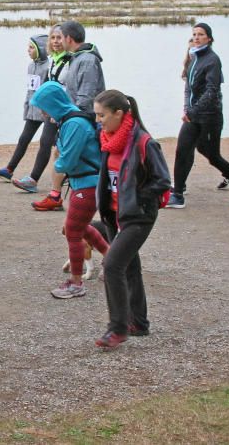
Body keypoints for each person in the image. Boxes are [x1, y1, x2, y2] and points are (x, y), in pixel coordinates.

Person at [93, 89, 171, 350]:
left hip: (138, 215)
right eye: (96, 115)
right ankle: (139, 322)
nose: (99, 120)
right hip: (115, 214)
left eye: (102, 115)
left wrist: (137, 197)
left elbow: (162, 181)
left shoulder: (145, 143)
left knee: (112, 265)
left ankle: (118, 328)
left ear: (119, 113)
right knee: (129, 267)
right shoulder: (108, 139)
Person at [29, 81, 110, 299]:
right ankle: (112, 259)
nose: (43, 113)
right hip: (82, 182)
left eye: (44, 107)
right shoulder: (70, 120)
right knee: (80, 227)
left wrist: (57, 162)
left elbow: (66, 161)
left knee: (73, 232)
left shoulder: (74, 125)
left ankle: (76, 283)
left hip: (87, 184)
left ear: (53, 104)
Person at [32, 21, 105, 211]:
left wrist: (72, 115)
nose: (58, 41)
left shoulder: (87, 60)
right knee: (59, 152)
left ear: (69, 39)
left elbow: (86, 95)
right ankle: (56, 195)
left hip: (84, 119)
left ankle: (86, 192)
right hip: (74, 116)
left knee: (68, 155)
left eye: (61, 37)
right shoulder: (77, 57)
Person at [165, 23, 229, 210]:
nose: (196, 37)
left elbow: (212, 91)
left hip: (210, 116)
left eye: (201, 35)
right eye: (194, 34)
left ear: (209, 39)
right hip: (193, 116)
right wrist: (187, 109)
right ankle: (178, 194)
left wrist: (193, 111)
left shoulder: (212, 60)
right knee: (183, 149)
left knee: (212, 155)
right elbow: (188, 87)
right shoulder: (193, 58)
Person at [0, 34, 50, 187]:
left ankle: (60, 174)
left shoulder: (49, 67)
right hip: (32, 110)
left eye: (31, 47)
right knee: (24, 139)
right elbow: (30, 90)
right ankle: (9, 169)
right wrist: (27, 106)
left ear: (41, 49)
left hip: (48, 111)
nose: (28, 50)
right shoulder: (31, 66)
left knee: (50, 143)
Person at [13, 25, 64, 194]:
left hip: (66, 110)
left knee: (59, 146)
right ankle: (33, 180)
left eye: (59, 38)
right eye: (53, 38)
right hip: (50, 109)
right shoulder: (53, 62)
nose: (56, 42)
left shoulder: (67, 60)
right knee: (45, 142)